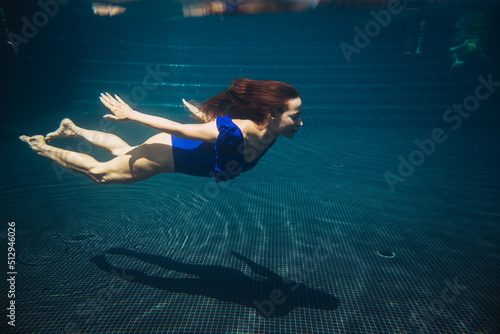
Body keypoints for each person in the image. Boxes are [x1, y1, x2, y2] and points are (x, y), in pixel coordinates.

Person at [19, 79, 303, 184]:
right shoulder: (238, 131)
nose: (300, 123)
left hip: (166, 148)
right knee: (100, 174)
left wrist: (206, 116)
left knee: (122, 151)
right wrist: (131, 115)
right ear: (273, 114)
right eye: (296, 116)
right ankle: (41, 147)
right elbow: (179, 127)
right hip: (164, 157)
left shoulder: (269, 130)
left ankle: (73, 128)